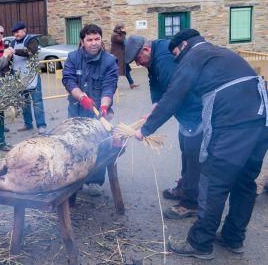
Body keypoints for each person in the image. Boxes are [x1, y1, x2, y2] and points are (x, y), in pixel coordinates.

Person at [134, 29, 267, 260]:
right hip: (261, 120)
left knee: (214, 182)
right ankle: (233, 237)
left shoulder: (194, 56)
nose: (176, 59)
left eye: (176, 53)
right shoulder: (220, 53)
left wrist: (145, 130)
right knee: (245, 182)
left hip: (233, 123)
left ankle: (200, 243)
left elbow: (174, 96)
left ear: (184, 45)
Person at [125, 35, 202, 219]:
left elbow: (174, 96)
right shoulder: (153, 58)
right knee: (186, 147)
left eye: (137, 59)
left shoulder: (164, 59)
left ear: (146, 50)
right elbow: (156, 85)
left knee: (193, 153)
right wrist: (154, 106)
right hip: (188, 110)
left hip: (196, 108)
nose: (138, 63)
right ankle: (185, 186)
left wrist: (146, 129)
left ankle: (192, 202)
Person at [62, 24, 119, 196]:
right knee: (74, 144)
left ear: (101, 40)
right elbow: (68, 80)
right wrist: (81, 97)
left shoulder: (109, 61)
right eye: (89, 40)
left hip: (99, 111)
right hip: (77, 109)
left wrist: (103, 105)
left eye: (97, 39)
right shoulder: (73, 58)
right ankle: (76, 179)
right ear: (82, 42)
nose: (94, 43)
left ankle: (94, 180)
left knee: (99, 144)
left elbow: (109, 86)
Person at [10, 21, 47, 134]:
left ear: (24, 30)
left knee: (37, 102)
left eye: (18, 32)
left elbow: (31, 51)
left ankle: (41, 125)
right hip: (19, 78)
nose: (16, 34)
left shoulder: (31, 40)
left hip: (32, 77)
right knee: (24, 103)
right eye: (14, 32)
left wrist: (15, 51)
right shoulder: (12, 43)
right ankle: (28, 124)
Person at [110, 24, 138, 89]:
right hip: (117, 56)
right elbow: (122, 40)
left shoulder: (118, 34)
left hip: (121, 56)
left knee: (126, 70)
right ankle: (113, 85)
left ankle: (132, 83)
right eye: (123, 28)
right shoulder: (115, 35)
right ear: (119, 29)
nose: (124, 29)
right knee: (116, 71)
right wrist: (123, 33)